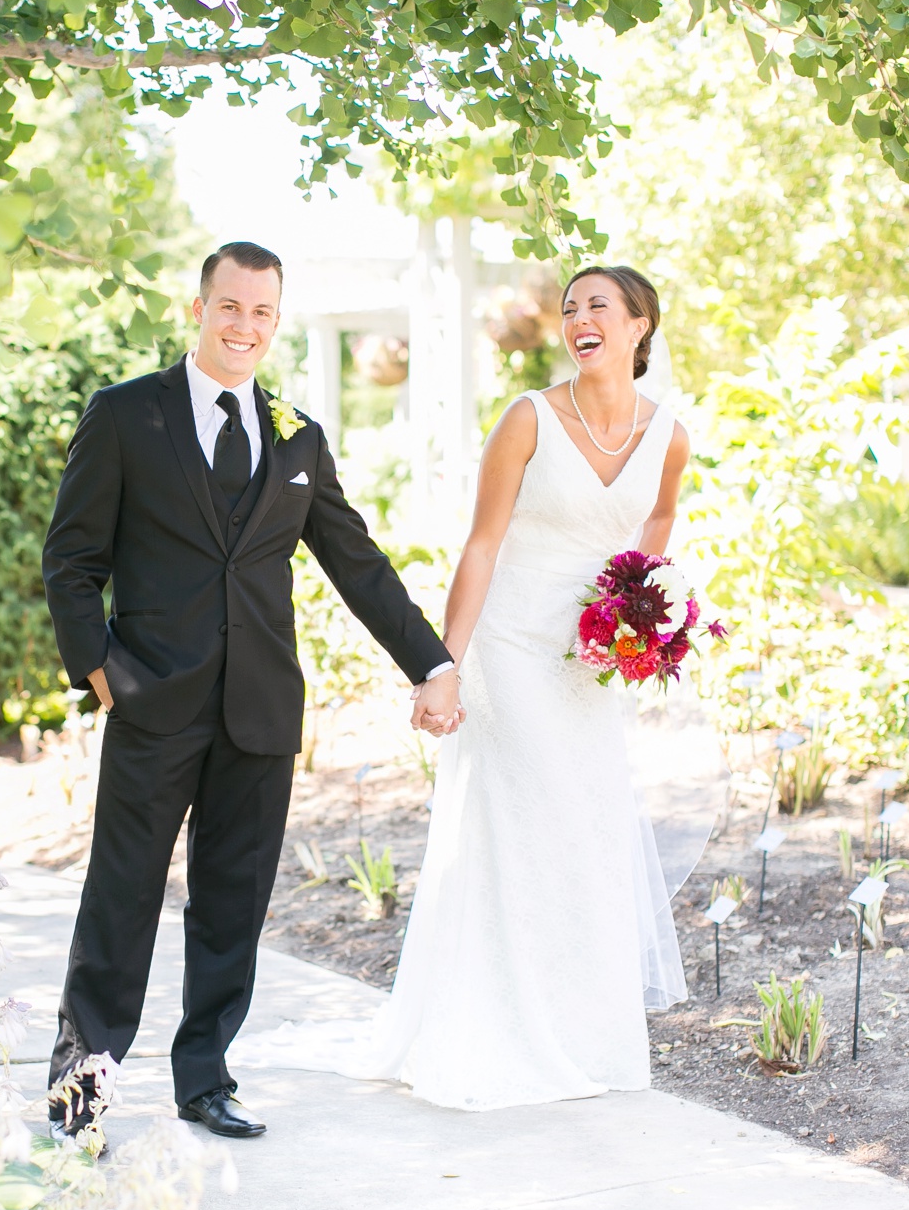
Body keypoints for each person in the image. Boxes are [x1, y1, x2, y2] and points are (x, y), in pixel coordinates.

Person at [234, 265, 693, 1110]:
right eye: (569, 309)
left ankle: (582, 1033)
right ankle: (497, 1028)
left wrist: (640, 608)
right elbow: (481, 546)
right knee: (518, 820)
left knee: (586, 827)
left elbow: (655, 525)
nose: (579, 319)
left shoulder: (669, 435)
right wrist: (443, 666)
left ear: (639, 326)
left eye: (599, 306)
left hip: (588, 658)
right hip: (511, 646)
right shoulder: (526, 420)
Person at [40, 240, 460, 1147]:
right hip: (152, 703)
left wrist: (430, 661)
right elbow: (71, 561)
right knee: (121, 900)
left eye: (263, 313)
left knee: (233, 905)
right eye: (230, 307)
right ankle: (81, 1087)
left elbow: (357, 563)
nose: (245, 326)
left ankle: (206, 1079)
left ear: (277, 321)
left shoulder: (297, 433)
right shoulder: (124, 417)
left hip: (262, 710)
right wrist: (100, 672)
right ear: (199, 309)